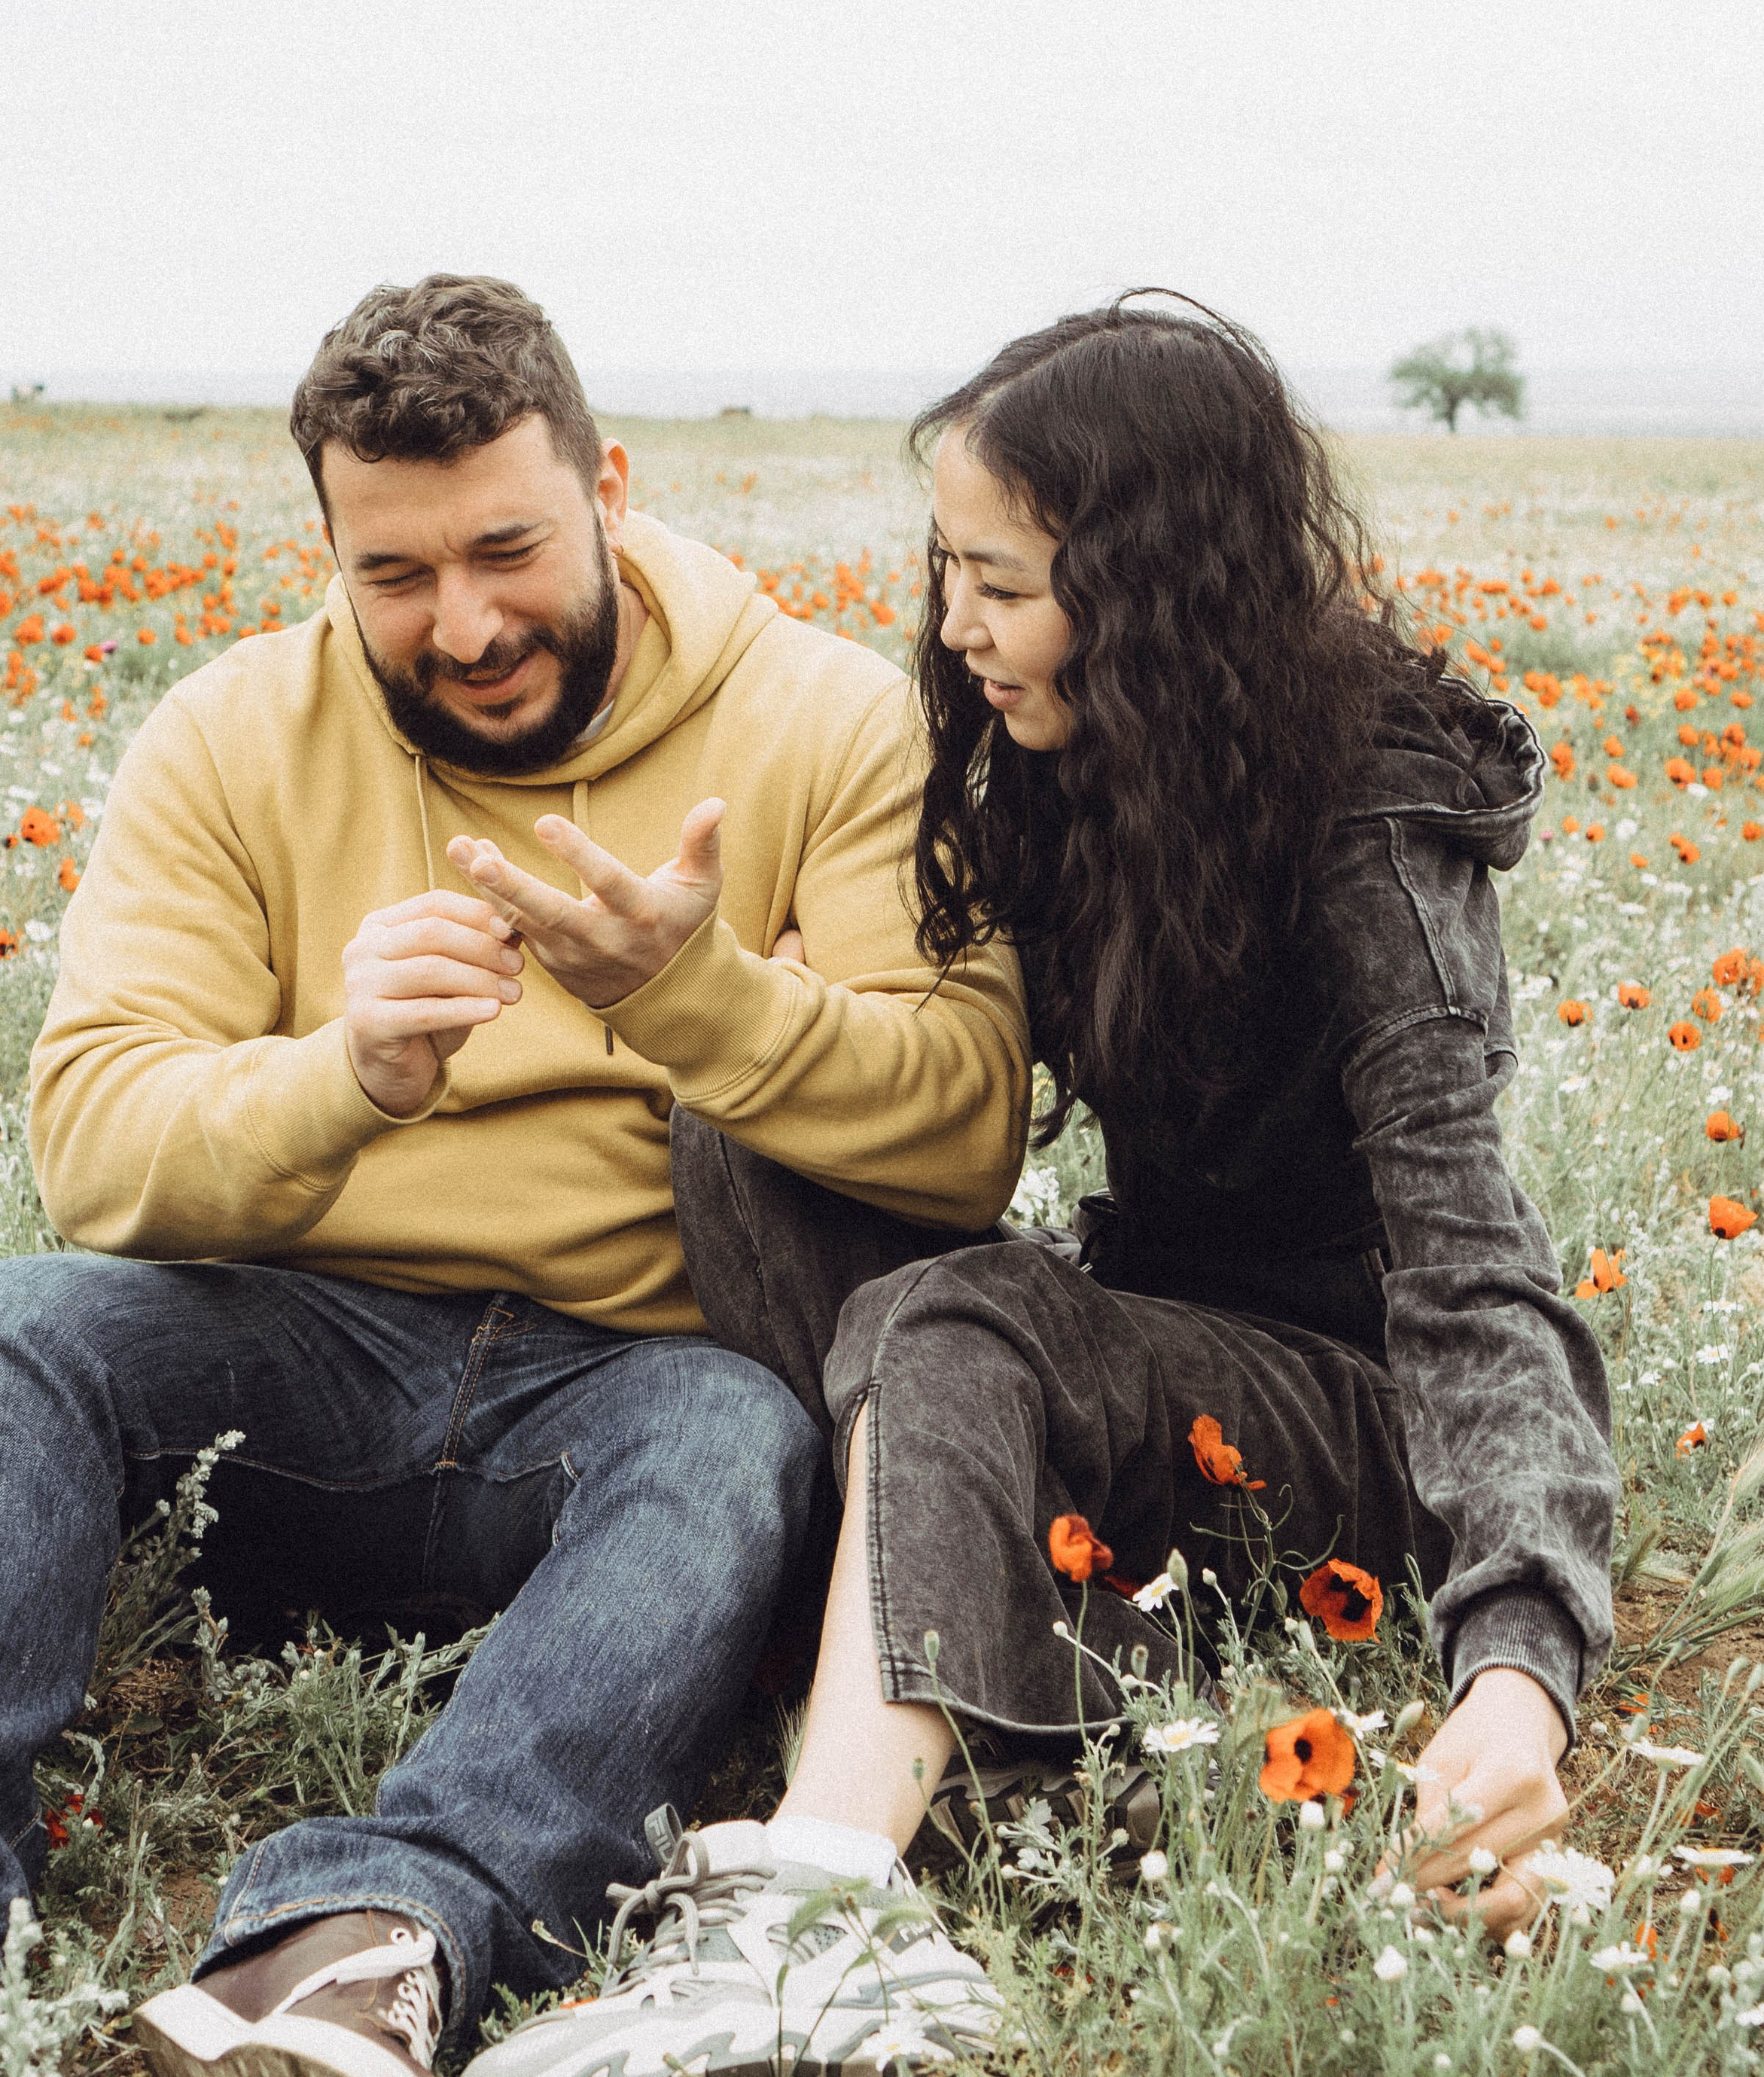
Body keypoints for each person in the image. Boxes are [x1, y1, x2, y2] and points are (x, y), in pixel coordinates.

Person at [469, 297, 1619, 2077]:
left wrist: (1517, 1662)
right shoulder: (1072, 768)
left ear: (1154, 585)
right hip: (1143, 1360)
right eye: (945, 569)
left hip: (1342, 1418)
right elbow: (903, 1078)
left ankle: (827, 1923)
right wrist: (706, 990)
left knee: (962, 1314)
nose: (953, 627)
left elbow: (1474, 1267)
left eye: (999, 583)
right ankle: (917, 1652)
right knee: (753, 1127)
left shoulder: (1371, 816)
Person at [8, 275, 1028, 2077]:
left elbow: (961, 1128)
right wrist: (343, 1078)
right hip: (293, 1357)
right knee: (24, 1327)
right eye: (392, 576)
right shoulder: (234, 733)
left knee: (737, 1440)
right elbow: (90, 1146)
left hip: (633, 1385)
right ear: (327, 545)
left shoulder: (828, 720)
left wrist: (691, 999)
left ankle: (369, 1936)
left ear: (609, 491)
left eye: (508, 549)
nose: (464, 625)